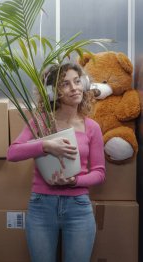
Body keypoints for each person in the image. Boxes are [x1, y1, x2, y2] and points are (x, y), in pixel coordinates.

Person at [7, 62, 105, 262]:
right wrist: (46, 145)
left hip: (78, 207)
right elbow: (13, 153)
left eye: (77, 82)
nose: (74, 88)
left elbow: (99, 172)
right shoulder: (41, 123)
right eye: (65, 84)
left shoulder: (92, 127)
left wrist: (74, 181)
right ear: (53, 92)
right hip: (42, 207)